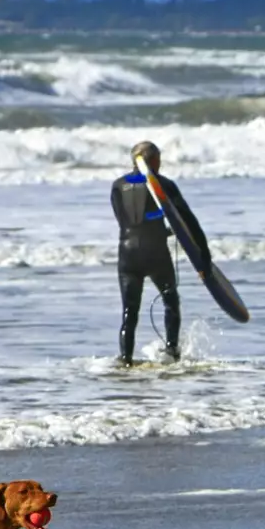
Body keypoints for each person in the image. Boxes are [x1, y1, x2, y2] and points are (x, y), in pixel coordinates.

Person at [110, 140, 185, 364]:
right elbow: (180, 220)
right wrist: (172, 233)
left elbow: (123, 220)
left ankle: (125, 359)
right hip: (156, 254)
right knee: (170, 300)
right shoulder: (164, 185)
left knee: (129, 312)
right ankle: (172, 352)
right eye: (159, 159)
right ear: (152, 160)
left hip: (127, 254)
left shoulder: (117, 185)